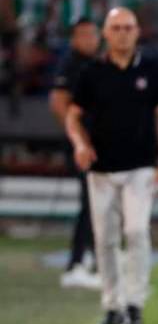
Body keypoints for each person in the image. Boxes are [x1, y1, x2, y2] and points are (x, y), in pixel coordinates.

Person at [65, 7, 158, 324]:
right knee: (105, 239)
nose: (123, 33)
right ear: (105, 33)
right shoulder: (91, 72)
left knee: (137, 231)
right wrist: (81, 144)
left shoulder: (152, 69)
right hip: (101, 168)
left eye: (128, 27)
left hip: (142, 165)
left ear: (138, 31)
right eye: (116, 28)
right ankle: (113, 305)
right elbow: (73, 116)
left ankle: (135, 303)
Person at [50, 17, 101, 289]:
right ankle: (76, 264)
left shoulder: (95, 63)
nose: (89, 40)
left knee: (98, 203)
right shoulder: (70, 64)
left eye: (93, 35)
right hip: (84, 145)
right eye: (83, 36)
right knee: (90, 202)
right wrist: (79, 139)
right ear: (74, 39)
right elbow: (58, 103)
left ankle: (92, 259)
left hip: (99, 142)